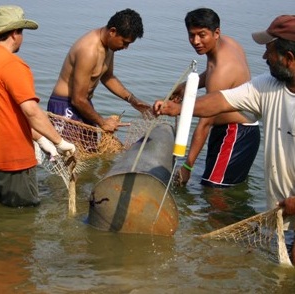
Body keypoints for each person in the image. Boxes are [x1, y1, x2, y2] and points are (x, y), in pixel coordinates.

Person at [154, 15, 295, 263]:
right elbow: (220, 100)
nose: (263, 58)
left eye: (269, 52)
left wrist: (187, 165)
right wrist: (178, 108)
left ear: (290, 60)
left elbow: (208, 120)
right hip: (285, 213)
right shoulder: (267, 85)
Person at [0, 5, 76, 208]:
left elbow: (5, 111)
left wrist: (40, 139)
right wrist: (58, 142)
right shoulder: (13, 65)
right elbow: (31, 111)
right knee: (22, 217)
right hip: (12, 160)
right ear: (15, 34)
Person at [171, 8, 260, 188]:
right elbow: (211, 72)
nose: (196, 41)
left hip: (235, 134)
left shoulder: (222, 71)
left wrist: (187, 166)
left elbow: (204, 123)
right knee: (216, 186)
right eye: (192, 35)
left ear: (216, 32)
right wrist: (186, 86)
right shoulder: (228, 44)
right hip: (235, 132)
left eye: (201, 35)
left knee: (214, 191)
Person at [47, 8, 152, 132]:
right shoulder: (89, 51)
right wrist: (103, 122)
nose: (125, 48)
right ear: (113, 31)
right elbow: (78, 99)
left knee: (90, 150)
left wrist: (132, 100)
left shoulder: (109, 46)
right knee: (69, 150)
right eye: (124, 42)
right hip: (66, 106)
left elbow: (108, 76)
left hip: (84, 105)